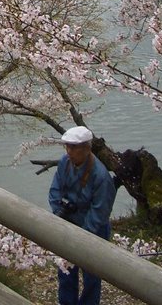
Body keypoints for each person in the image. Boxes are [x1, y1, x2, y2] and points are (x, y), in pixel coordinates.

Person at [48, 125, 117, 305]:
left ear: (87, 148)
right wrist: (58, 214)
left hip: (93, 230)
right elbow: (55, 191)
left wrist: (83, 236)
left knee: (92, 275)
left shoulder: (101, 176)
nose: (69, 151)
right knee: (65, 270)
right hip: (68, 222)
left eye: (74, 147)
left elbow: (99, 212)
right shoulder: (65, 162)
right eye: (67, 146)